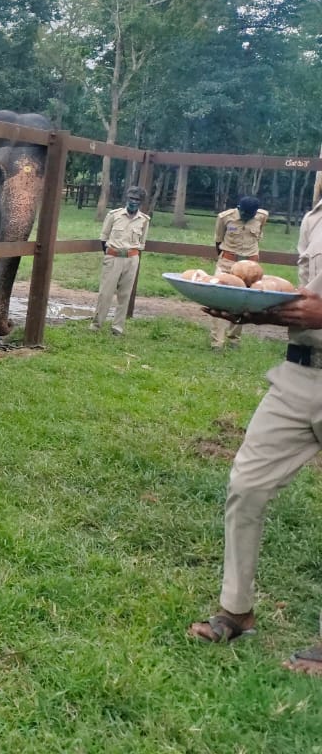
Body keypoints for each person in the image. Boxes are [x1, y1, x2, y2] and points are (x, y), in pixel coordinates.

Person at [188, 194, 322, 677]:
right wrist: (254, 311)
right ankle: (236, 609)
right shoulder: (315, 217)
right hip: (300, 373)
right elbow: (304, 300)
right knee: (246, 486)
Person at [210, 195, 270, 350]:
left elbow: (259, 236)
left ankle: (234, 340)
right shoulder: (225, 217)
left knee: (243, 303)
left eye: (249, 215)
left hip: (250, 265)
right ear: (239, 208)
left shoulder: (262, 216)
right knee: (219, 300)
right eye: (243, 213)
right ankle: (217, 342)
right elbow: (218, 241)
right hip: (227, 263)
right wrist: (227, 259)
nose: (246, 217)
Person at [90, 185, 150, 336]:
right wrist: (111, 254)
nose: (133, 202)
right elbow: (103, 238)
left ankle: (118, 327)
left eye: (137, 199)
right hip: (113, 257)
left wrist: (130, 255)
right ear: (126, 198)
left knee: (125, 294)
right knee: (105, 293)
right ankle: (96, 324)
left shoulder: (144, 220)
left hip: (131, 258)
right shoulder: (114, 215)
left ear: (141, 202)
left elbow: (142, 242)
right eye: (131, 198)